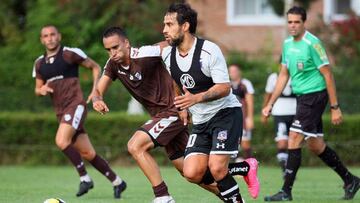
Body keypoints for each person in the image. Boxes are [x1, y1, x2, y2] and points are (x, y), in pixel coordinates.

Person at [94, 26, 257, 203]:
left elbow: (170, 45)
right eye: (108, 50)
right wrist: (97, 99)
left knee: (136, 145)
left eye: (116, 47)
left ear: (126, 43)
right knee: (192, 173)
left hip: (175, 110)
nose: (113, 53)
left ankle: (162, 196)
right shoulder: (112, 65)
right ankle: (239, 177)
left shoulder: (145, 54)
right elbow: (98, 90)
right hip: (161, 117)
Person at [161, 3, 260, 202]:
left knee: (217, 168)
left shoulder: (209, 51)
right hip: (201, 120)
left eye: (169, 24)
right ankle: (244, 167)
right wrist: (182, 107)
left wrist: (195, 98)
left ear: (185, 26)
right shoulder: (167, 55)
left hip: (225, 114)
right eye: (164, 24)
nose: (164, 30)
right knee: (192, 173)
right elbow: (175, 80)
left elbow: (225, 87)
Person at [262, 6, 360, 201]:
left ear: (303, 22)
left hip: (315, 96)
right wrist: (270, 103)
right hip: (302, 99)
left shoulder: (312, 43)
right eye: (289, 22)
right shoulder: (287, 44)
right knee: (315, 145)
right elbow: (283, 75)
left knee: (294, 138)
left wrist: (335, 107)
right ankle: (351, 180)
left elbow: (328, 74)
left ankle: (286, 191)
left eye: (296, 22)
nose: (292, 26)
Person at [32, 25, 126, 199]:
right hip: (61, 112)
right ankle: (118, 181)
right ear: (42, 40)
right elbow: (37, 89)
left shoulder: (70, 53)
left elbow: (96, 67)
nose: (50, 38)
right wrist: (42, 89)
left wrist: (95, 91)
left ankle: (85, 178)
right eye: (46, 36)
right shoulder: (39, 64)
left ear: (59, 36)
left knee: (61, 141)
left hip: (75, 105)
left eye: (53, 34)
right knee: (88, 153)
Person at [261, 60, 296, 177]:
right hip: (279, 113)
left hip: (296, 113)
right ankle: (284, 169)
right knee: (282, 142)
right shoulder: (273, 77)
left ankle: (291, 170)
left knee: (294, 143)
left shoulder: (296, 75)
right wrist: (265, 112)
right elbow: (268, 94)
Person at [228, 64, 255, 160]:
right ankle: (237, 165)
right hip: (231, 119)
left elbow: (250, 102)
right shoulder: (227, 85)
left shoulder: (245, 84)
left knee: (245, 143)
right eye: (230, 71)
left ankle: (249, 165)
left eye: (235, 71)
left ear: (239, 72)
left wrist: (250, 118)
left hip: (243, 118)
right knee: (233, 143)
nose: (233, 73)